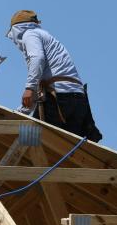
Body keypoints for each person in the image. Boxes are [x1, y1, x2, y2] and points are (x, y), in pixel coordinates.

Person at [7, 10, 103, 142]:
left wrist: (29, 88)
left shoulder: (30, 34)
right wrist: (21, 111)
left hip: (61, 99)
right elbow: (42, 86)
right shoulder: (45, 36)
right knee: (64, 149)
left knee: (28, 139)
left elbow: (37, 59)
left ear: (17, 29)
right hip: (78, 101)